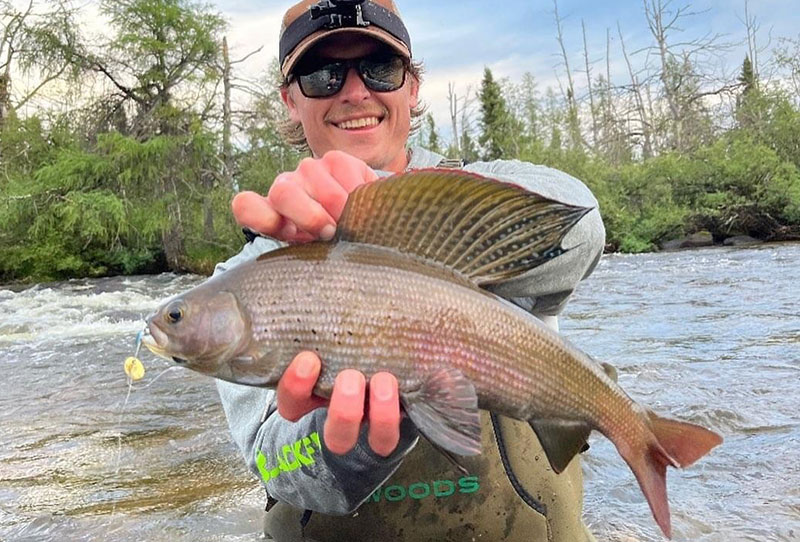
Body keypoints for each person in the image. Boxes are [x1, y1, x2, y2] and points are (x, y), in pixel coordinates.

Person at [213, 1, 606, 540]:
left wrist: (398, 215)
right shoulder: (248, 276)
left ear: (412, 86)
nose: (355, 92)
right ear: (291, 100)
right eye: (323, 75)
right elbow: (276, 467)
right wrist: (355, 435)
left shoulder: (482, 194)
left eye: (379, 68)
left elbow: (581, 228)